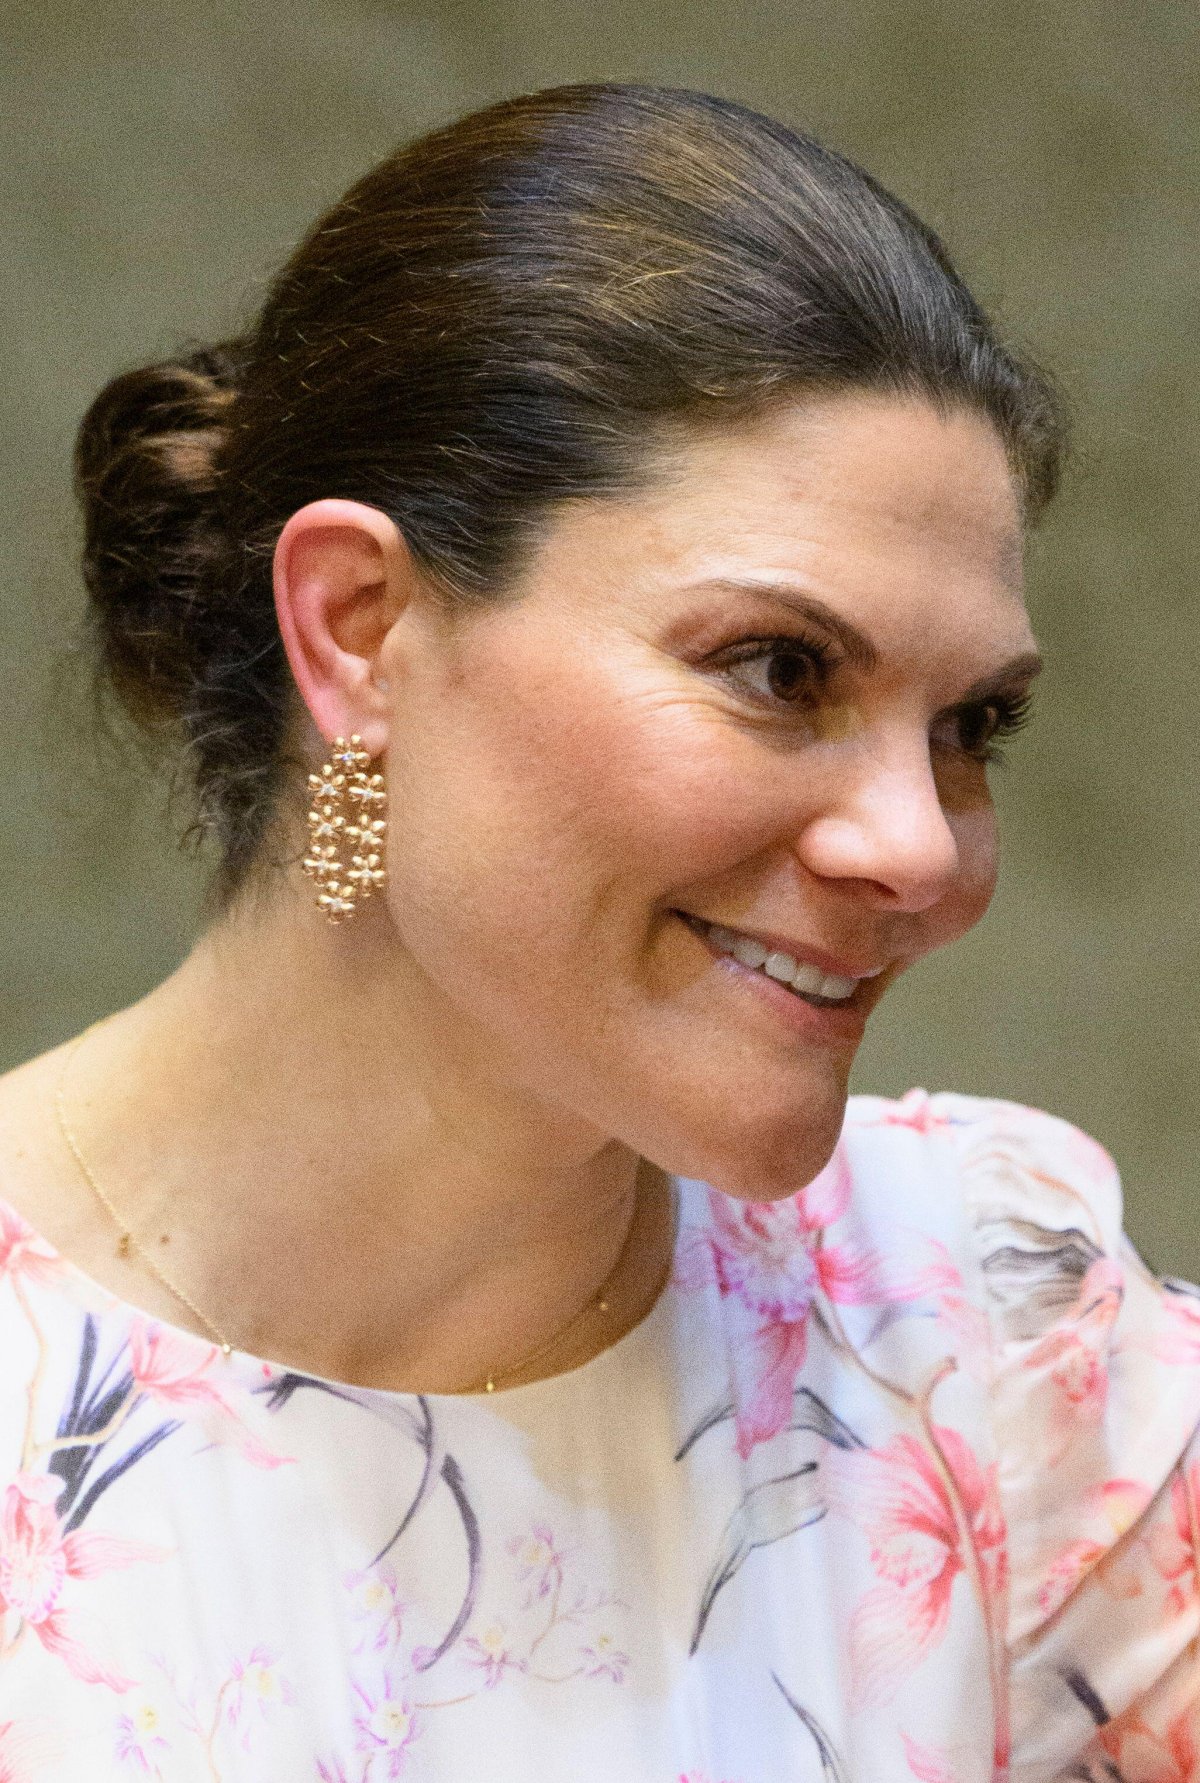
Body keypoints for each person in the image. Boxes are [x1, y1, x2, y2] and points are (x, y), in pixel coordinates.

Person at [0, 82, 1194, 1783]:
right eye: (783, 671)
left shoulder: (988, 1346)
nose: (920, 848)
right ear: (360, 629)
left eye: (971, 726)